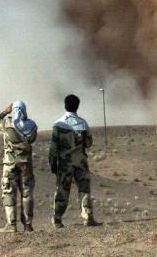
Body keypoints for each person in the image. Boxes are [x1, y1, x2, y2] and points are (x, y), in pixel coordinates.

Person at [50, 94, 99, 228]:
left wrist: (53, 162)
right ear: (77, 106)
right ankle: (87, 216)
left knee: (62, 190)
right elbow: (88, 143)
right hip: (81, 161)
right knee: (84, 188)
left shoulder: (58, 124)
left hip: (65, 163)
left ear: (65, 105)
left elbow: (54, 146)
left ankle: (57, 219)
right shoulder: (83, 123)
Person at [0, 101, 38, 233]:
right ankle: (28, 225)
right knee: (27, 193)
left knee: (9, 192)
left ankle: (11, 225)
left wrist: (5, 111)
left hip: (10, 165)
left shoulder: (6, 123)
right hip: (26, 164)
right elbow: (32, 139)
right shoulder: (32, 125)